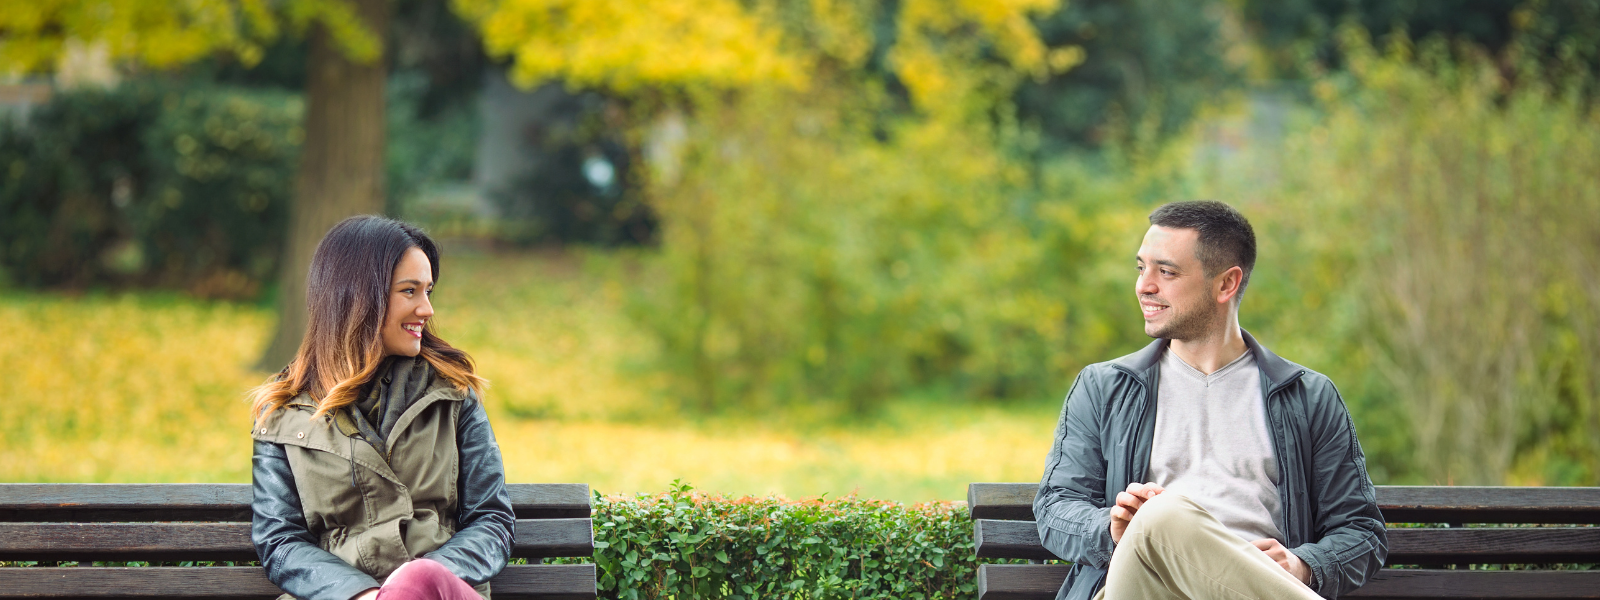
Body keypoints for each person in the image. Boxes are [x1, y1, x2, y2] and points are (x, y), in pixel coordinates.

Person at [1033, 201, 1387, 600]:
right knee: (1161, 515)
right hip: (1141, 587)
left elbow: (1361, 532)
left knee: (1163, 515)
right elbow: (1055, 508)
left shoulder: (1307, 396)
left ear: (1226, 284)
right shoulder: (1104, 388)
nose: (1144, 285)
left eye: (1165, 272)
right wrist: (1111, 527)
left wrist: (1301, 564)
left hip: (1251, 590)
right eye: (1141, 268)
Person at [250, 216, 515, 600]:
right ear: (356, 297)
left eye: (428, 291)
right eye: (410, 291)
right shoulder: (283, 413)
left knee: (417, 582)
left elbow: (492, 522)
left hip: (439, 593)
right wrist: (362, 595)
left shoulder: (454, 395)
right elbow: (280, 543)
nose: (426, 309)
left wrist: (420, 584)